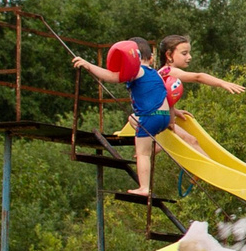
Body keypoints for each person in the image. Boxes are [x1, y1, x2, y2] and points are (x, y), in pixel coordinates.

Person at [71, 40, 174, 197]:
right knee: (132, 118)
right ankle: (156, 145)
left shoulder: (137, 71)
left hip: (149, 117)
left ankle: (144, 188)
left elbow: (112, 76)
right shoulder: (156, 74)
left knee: (142, 154)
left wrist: (88, 65)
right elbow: (165, 96)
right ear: (150, 58)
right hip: (164, 117)